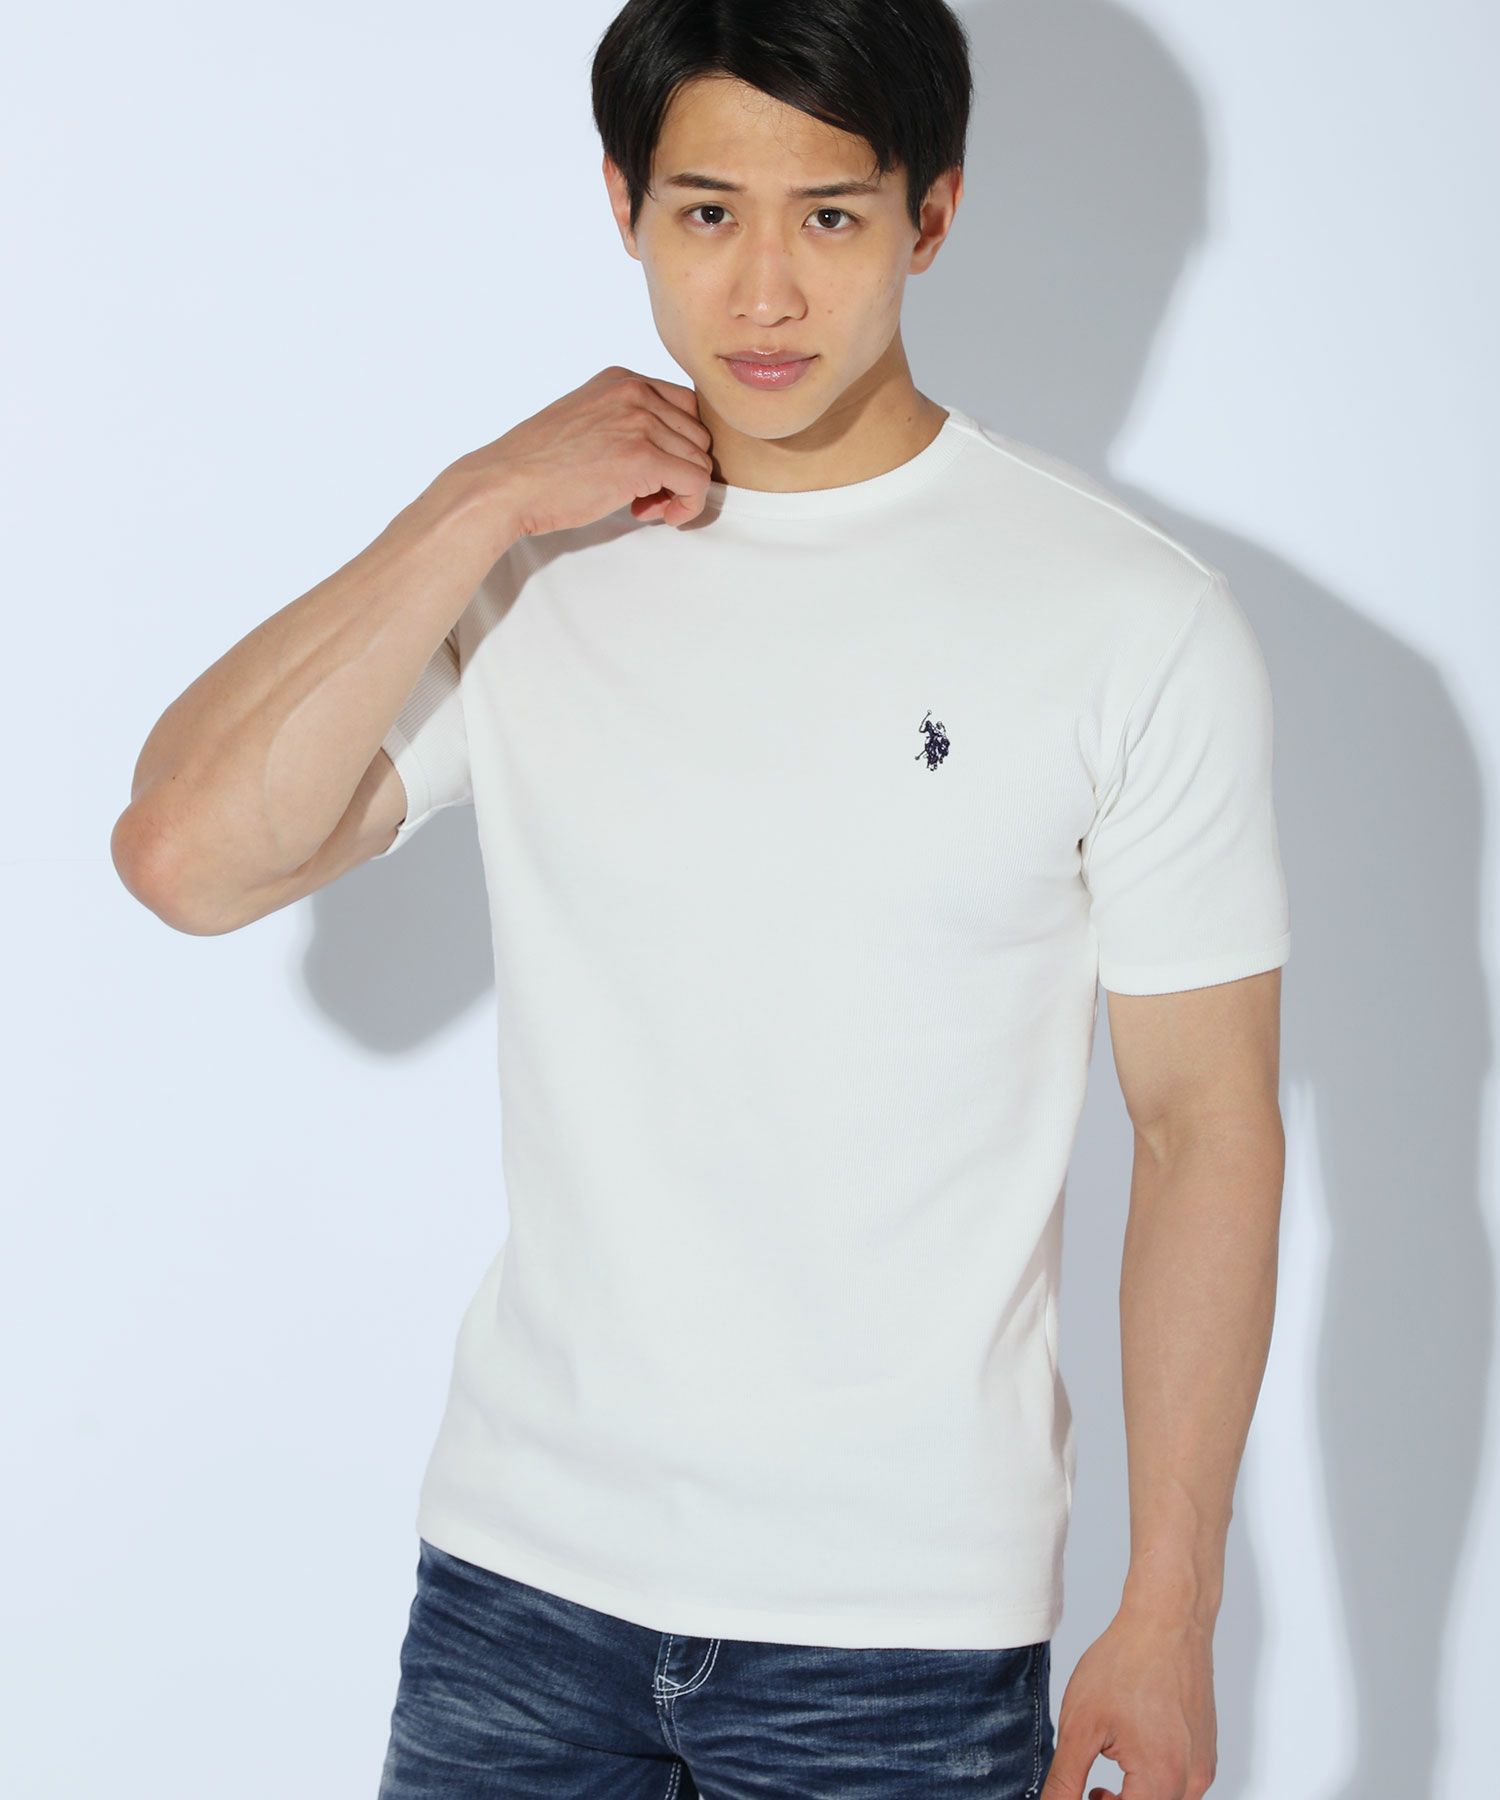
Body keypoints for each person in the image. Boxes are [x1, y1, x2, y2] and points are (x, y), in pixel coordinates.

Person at [111, 2, 1289, 1795]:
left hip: (898, 1641)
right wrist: (478, 499)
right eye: (708, 212)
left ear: (933, 214)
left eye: (832, 216)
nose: (764, 292)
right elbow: (185, 856)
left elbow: (1205, 1125)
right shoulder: (545, 557)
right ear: (624, 206)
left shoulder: (1130, 621)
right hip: (519, 1596)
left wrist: (1173, 1608)